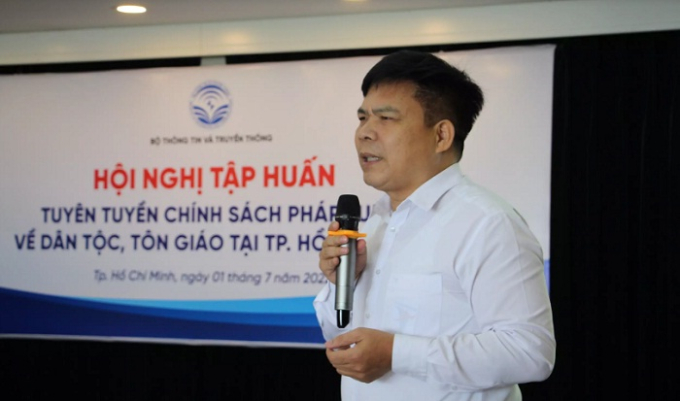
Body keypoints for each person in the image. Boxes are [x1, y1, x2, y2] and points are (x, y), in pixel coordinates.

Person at [313, 50, 556, 400]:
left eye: (386, 118)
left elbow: (530, 352)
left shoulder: (488, 224)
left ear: (441, 135)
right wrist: (342, 284)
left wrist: (396, 353)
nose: (364, 133)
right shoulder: (378, 223)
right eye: (362, 117)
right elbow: (340, 337)